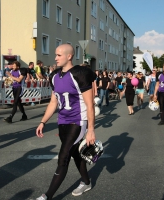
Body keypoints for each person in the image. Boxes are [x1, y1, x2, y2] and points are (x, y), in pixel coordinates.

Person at [35, 44, 96, 200]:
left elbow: (90, 105)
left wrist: (90, 130)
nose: (55, 58)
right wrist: (43, 122)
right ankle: (86, 181)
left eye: (59, 55)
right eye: (55, 55)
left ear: (69, 56)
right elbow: (53, 102)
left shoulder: (79, 74)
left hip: (77, 121)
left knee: (63, 157)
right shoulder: (55, 76)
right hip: (62, 121)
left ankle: (47, 196)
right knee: (75, 154)